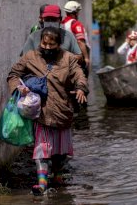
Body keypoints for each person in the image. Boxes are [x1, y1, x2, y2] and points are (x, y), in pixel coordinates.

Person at [7, 27, 88, 196]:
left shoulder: (68, 58)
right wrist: (18, 87)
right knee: (41, 151)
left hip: (63, 111)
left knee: (60, 152)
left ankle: (58, 178)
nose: (48, 47)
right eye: (45, 43)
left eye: (52, 44)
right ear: (40, 42)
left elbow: (79, 75)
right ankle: (42, 184)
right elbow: (14, 74)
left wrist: (81, 88)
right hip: (41, 113)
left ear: (59, 44)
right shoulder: (31, 57)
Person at [62, 0, 91, 76]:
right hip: (78, 59)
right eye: (77, 11)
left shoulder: (63, 23)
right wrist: (86, 58)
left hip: (66, 58)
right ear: (74, 12)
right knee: (81, 82)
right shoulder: (76, 24)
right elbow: (80, 41)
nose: (78, 13)